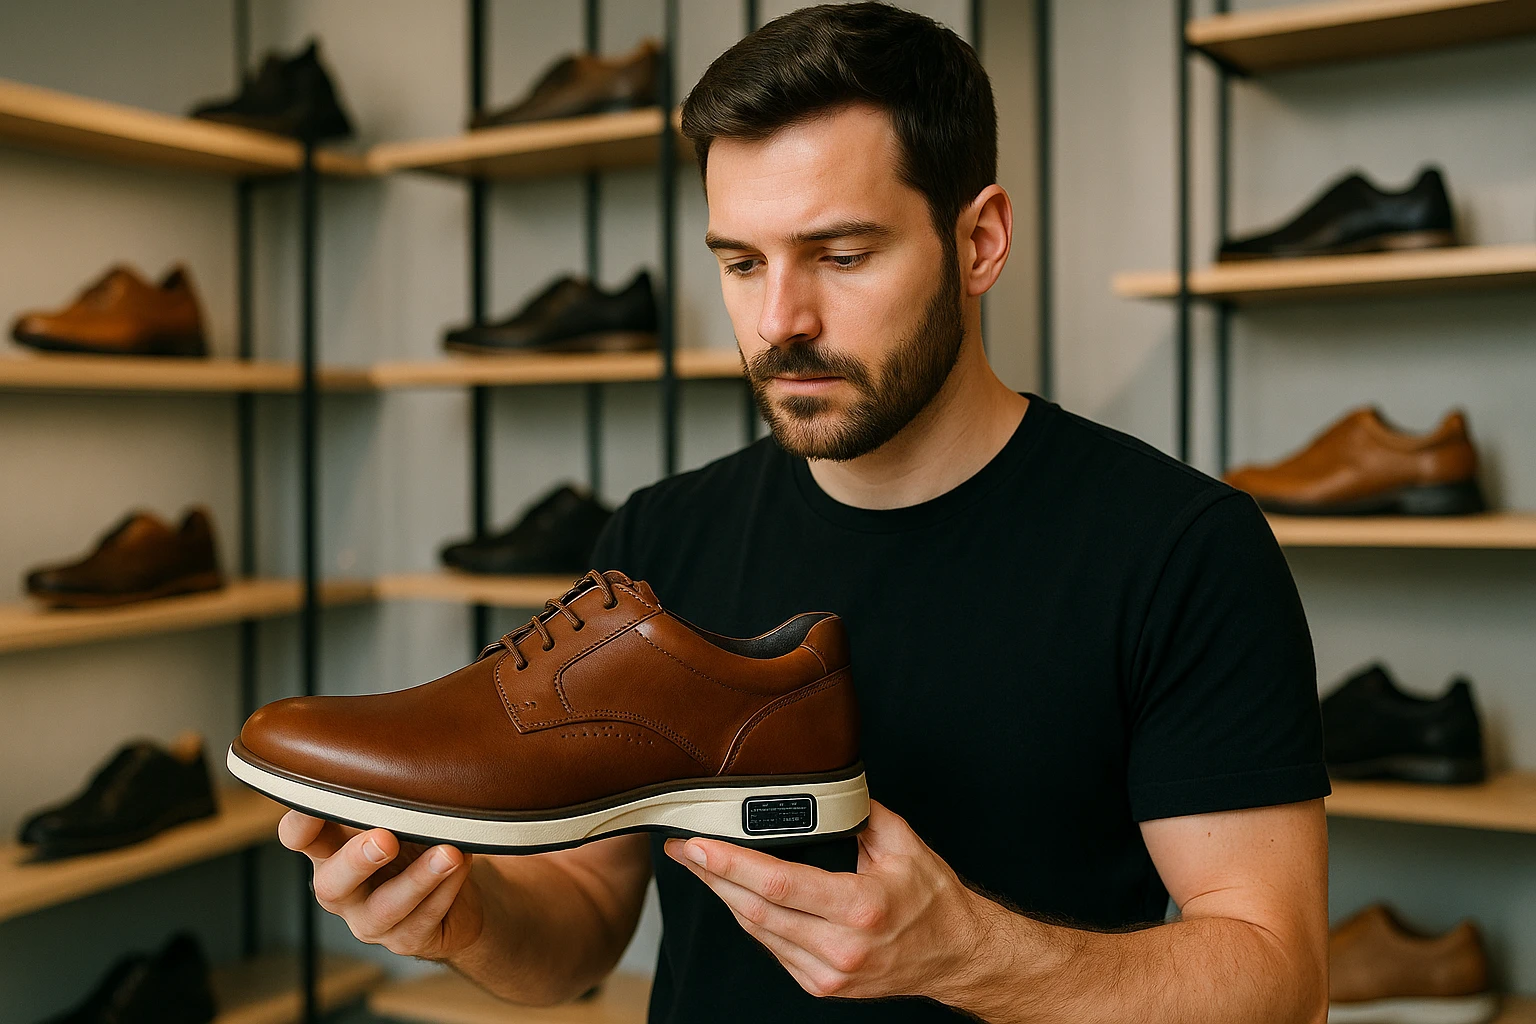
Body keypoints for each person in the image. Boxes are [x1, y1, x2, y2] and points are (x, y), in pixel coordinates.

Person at [278, 5, 1330, 1022]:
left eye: (842, 255)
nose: (780, 321)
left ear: (980, 242)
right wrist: (463, 915)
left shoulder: (1182, 551)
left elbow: (1282, 983)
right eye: (741, 262)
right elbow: (584, 927)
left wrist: (972, 956)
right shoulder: (655, 545)